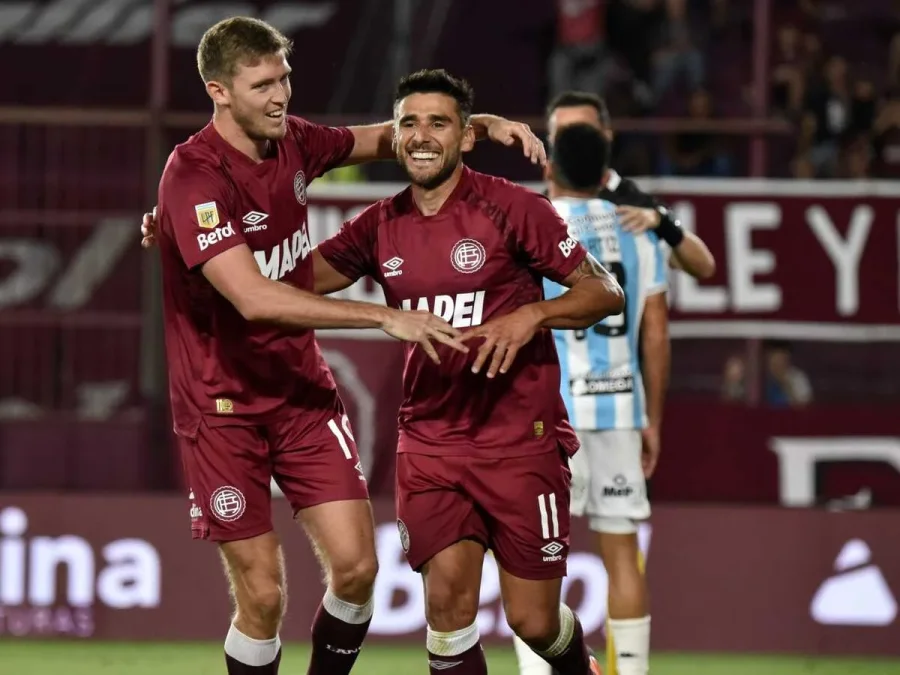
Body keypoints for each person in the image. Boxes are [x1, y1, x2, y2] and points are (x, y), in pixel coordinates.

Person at [151, 16, 551, 675]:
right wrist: (382, 317)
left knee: (360, 568)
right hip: (221, 409)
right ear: (219, 92)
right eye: (262, 84)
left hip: (301, 396)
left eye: (284, 77)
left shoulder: (296, 140)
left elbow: (391, 138)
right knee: (263, 595)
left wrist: (483, 125)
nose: (281, 95)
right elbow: (252, 298)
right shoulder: (193, 177)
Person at [312, 69, 623, 674]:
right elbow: (287, 287)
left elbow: (604, 293)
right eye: (409, 123)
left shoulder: (512, 207)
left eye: (438, 122)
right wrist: (189, 242)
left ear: (466, 136)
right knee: (447, 608)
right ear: (396, 136)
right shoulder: (378, 224)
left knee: (533, 621)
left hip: (519, 444)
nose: (422, 135)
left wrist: (531, 315)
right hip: (431, 445)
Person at [512, 124, 670, 675]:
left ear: (548, 168)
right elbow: (654, 331)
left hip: (547, 420)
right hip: (621, 414)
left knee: (530, 559)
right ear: (606, 174)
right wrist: (651, 419)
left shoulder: (530, 223)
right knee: (623, 554)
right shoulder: (640, 233)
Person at [544, 91, 716, 281]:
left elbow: (704, 267)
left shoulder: (635, 207)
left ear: (606, 135)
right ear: (551, 141)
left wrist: (663, 223)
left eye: (582, 130)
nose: (572, 141)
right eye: (562, 133)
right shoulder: (539, 208)